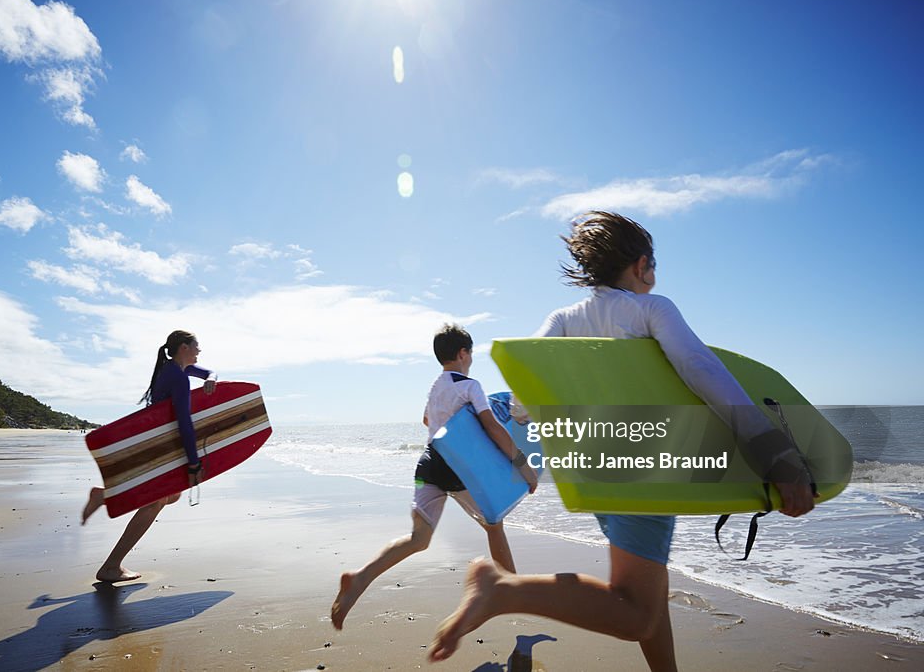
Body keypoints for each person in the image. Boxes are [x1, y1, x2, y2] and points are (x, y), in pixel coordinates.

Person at [429, 212, 816, 670]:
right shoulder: (651, 309)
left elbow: (521, 404)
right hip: (645, 471)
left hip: (592, 475)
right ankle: (502, 588)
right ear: (641, 265)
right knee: (634, 613)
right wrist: (776, 454)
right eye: (653, 266)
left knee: (647, 588)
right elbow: (702, 370)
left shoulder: (563, 318)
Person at [331, 323, 539, 629]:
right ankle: (513, 593)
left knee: (419, 538)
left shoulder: (436, 386)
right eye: (471, 353)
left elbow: (427, 419)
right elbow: (493, 426)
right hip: (458, 469)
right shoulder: (470, 386)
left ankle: (359, 577)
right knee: (494, 524)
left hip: (429, 465)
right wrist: (523, 465)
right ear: (463, 353)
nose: (471, 359)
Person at [81, 330, 217, 582]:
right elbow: (184, 422)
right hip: (164, 445)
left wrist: (210, 378)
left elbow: (208, 372)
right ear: (184, 347)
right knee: (156, 501)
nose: (200, 350)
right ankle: (111, 566)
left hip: (160, 443)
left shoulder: (174, 370)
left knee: (171, 496)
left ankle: (104, 496)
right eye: (197, 345)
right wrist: (193, 461)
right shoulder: (178, 377)